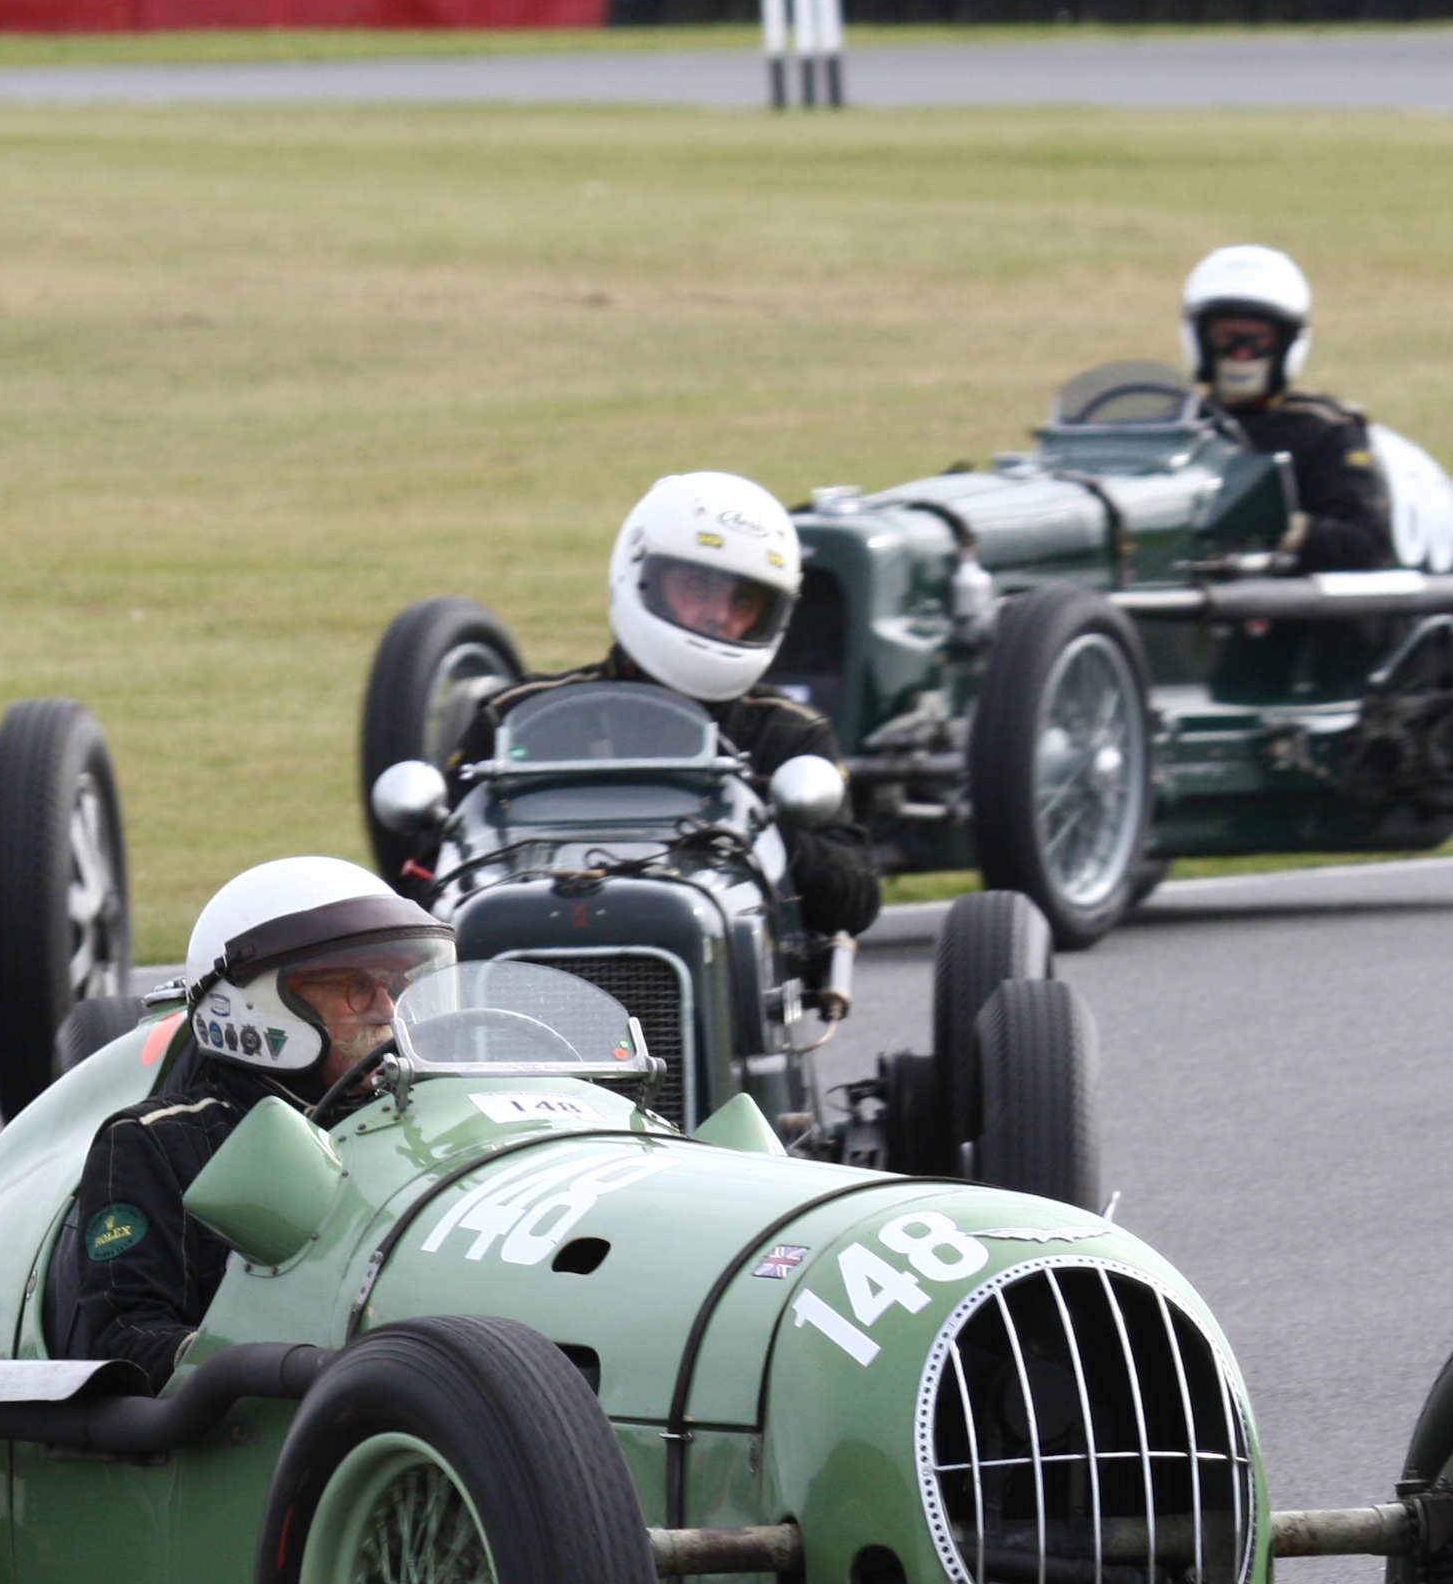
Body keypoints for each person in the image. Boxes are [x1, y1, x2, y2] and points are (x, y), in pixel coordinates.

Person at [59, 859, 457, 1379]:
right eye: (354, 986)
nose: (387, 1009)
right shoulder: (162, 1143)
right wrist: (297, 1368)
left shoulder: (441, 1113)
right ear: (259, 1005)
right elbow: (124, 1338)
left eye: (399, 984)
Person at [447, 472, 883, 942]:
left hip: (715, 971)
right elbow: (427, 879)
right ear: (641, 574)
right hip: (536, 962)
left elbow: (854, 899)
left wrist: (762, 819)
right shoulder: (516, 720)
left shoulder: (788, 734)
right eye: (697, 587)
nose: (718, 613)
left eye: (745, 601)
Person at [1177, 246, 1397, 577]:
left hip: (1292, 610)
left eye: (1258, 340)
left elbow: (1365, 544)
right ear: (1200, 339)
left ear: (1286, 343)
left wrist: (1289, 531)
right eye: (1227, 337)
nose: (1241, 353)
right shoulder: (1175, 423)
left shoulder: (1325, 430)